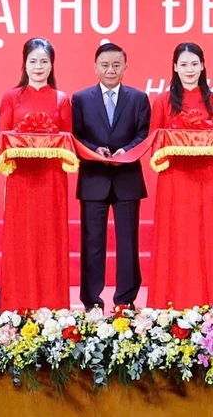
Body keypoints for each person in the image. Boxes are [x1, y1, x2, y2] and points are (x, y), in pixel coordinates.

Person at [147, 42, 213, 309]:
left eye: (194, 64)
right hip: (173, 179)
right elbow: (154, 141)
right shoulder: (162, 101)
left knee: (204, 238)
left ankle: (207, 301)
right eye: (183, 65)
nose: (189, 70)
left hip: (205, 178)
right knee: (174, 238)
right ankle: (168, 302)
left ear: (203, 66)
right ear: (174, 68)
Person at [72, 43, 151, 309]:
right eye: (105, 64)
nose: (110, 70)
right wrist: (95, 150)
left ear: (125, 68)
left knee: (128, 243)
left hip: (127, 179)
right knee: (92, 244)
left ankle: (125, 301)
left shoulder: (139, 98)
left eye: (116, 65)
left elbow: (143, 134)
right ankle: (92, 302)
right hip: (93, 180)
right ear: (95, 67)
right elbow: (76, 136)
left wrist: (124, 151)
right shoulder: (81, 99)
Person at [0, 38, 74, 311]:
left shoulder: (62, 99)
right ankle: (18, 305)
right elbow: (2, 139)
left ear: (52, 64)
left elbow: (68, 141)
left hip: (52, 180)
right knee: (22, 241)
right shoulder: (11, 97)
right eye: (33, 61)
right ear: (25, 64)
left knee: (50, 240)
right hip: (21, 180)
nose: (38, 67)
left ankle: (53, 306)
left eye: (44, 61)